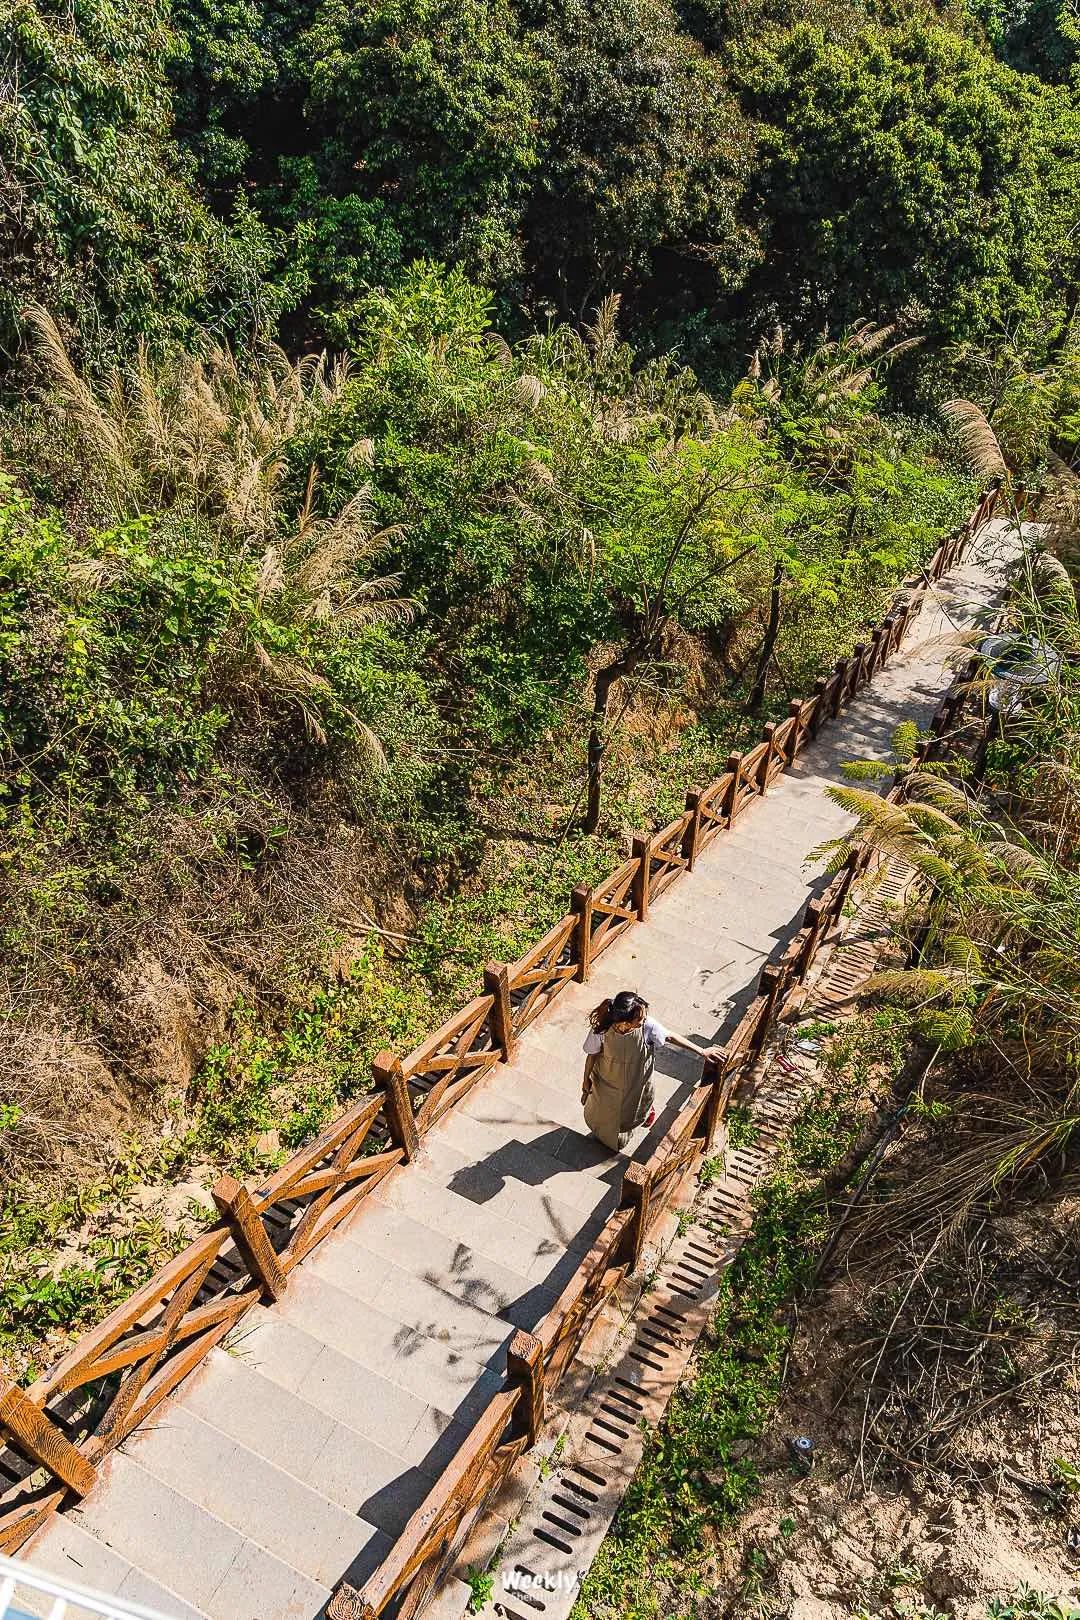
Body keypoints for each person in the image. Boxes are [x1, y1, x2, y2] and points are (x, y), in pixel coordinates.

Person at [580, 989, 702, 1151]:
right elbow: (592, 1055)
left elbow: (669, 1036)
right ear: (625, 1021)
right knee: (603, 1112)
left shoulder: (647, 1026)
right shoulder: (603, 1029)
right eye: (639, 1018)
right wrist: (585, 1079)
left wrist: (702, 1052)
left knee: (634, 1110)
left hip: (637, 1081)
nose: (644, 1020)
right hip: (606, 1079)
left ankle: (645, 1114)